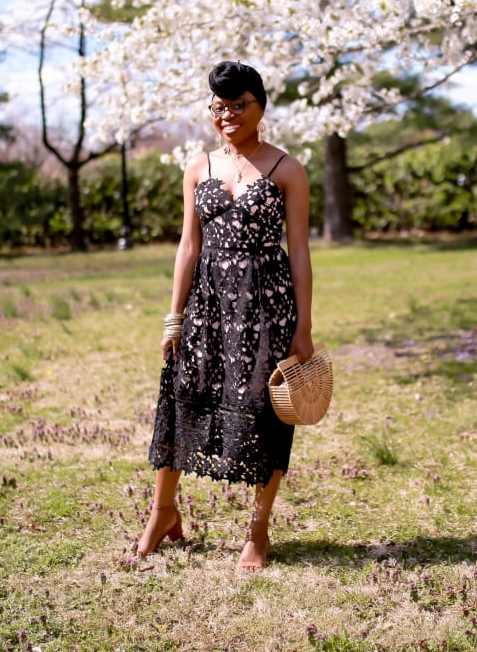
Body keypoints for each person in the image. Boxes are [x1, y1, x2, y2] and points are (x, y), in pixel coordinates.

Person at [136, 61, 315, 572]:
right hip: (208, 304)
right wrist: (174, 318)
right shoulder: (199, 167)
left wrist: (303, 326)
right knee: (181, 397)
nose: (228, 115)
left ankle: (258, 530)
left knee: (264, 411)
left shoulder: (287, 169)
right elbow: (188, 246)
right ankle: (163, 513)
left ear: (260, 106)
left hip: (266, 306)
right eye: (219, 107)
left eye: (239, 105)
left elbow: (298, 252)